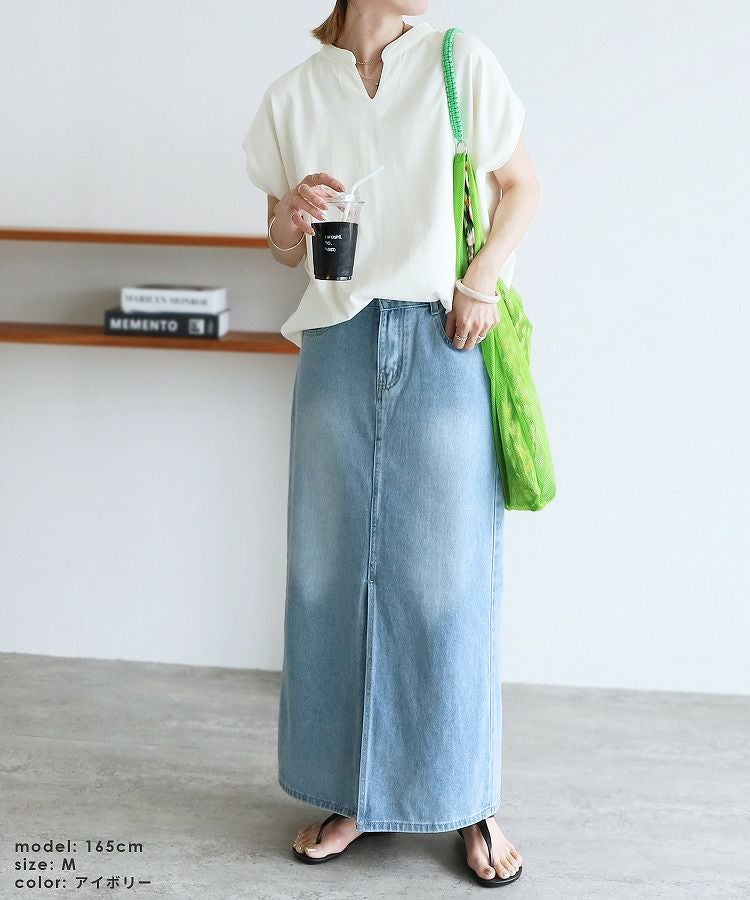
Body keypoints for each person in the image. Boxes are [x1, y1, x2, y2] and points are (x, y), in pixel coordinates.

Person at [242, 0, 541, 886]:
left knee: (450, 580)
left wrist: (480, 280)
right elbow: (279, 245)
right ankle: (354, 793)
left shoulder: (457, 60)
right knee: (330, 578)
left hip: (444, 338)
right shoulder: (294, 96)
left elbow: (523, 186)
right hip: (337, 348)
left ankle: (468, 800)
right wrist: (292, 220)